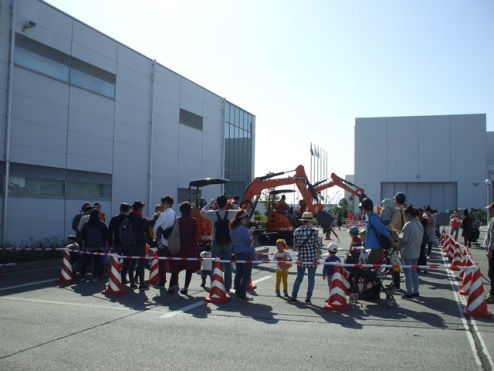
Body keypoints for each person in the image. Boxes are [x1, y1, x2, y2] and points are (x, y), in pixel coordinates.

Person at [200, 195, 239, 293]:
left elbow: (202, 211)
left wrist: (210, 203)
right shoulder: (230, 213)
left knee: (215, 264)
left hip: (216, 241)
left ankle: (215, 285)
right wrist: (232, 204)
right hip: (228, 241)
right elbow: (243, 211)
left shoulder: (213, 214)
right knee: (227, 265)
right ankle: (227, 288)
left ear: (217, 203)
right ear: (226, 203)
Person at [288, 212, 323, 304]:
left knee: (299, 278)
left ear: (303, 221)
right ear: (310, 221)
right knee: (311, 280)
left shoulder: (297, 231)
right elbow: (318, 245)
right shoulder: (315, 232)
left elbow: (295, 247)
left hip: (301, 259)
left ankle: (294, 297)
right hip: (312, 259)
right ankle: (308, 298)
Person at [168, 201, 201, 295]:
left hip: (179, 247)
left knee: (176, 268)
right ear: (189, 210)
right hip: (191, 246)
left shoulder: (178, 220)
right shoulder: (193, 220)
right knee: (189, 269)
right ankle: (185, 288)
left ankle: (171, 287)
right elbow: (195, 234)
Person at [229, 210, 256, 300]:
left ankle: (237, 291)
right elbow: (248, 242)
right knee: (246, 274)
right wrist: (251, 235)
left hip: (237, 252)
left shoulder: (232, 229)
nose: (247, 220)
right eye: (246, 218)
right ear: (241, 219)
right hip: (246, 253)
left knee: (239, 273)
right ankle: (242, 293)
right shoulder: (244, 229)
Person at [399, 206, 424, 298]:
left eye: (404, 214)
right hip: (416, 251)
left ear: (408, 214)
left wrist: (398, 235)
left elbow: (404, 239)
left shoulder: (408, 224)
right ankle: (416, 291)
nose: (404, 216)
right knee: (414, 272)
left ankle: (409, 292)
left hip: (407, 251)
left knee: (407, 273)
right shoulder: (419, 224)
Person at [361, 198, 396, 264]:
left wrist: (393, 242)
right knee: (371, 269)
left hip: (374, 248)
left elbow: (383, 230)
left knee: (371, 270)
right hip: (372, 248)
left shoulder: (372, 218)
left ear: (364, 208)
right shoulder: (372, 216)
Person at [153, 195, 176, 288]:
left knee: (162, 262)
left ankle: (162, 281)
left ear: (168, 204)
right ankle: (175, 282)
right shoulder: (174, 213)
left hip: (162, 240)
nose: (162, 204)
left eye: (163, 203)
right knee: (173, 261)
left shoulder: (163, 214)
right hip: (172, 240)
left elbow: (156, 227)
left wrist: (154, 237)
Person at [80, 209, 109, 281]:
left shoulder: (86, 224)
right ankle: (95, 277)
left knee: (85, 261)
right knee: (97, 262)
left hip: (88, 246)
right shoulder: (102, 224)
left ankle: (82, 276)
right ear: (98, 215)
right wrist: (106, 244)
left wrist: (83, 245)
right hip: (99, 246)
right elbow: (106, 235)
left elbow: (83, 235)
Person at [128, 201, 150, 289]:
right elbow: (147, 223)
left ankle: (132, 283)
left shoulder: (129, 216)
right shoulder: (138, 218)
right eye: (142, 208)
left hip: (130, 243)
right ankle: (141, 283)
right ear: (139, 208)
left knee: (132, 263)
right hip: (139, 243)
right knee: (141, 263)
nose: (142, 209)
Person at [387, 192, 406, 290]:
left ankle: (396, 283)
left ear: (397, 200)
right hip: (402, 239)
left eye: (395, 199)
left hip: (395, 239)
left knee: (394, 261)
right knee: (397, 261)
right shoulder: (404, 210)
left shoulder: (397, 211)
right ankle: (396, 282)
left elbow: (391, 226)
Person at [108, 203, 131, 281]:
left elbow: (110, 232)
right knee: (126, 261)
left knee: (115, 260)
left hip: (116, 242)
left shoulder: (114, 219)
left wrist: (110, 244)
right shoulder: (130, 219)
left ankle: (115, 277)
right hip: (127, 244)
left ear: (120, 209)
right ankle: (123, 277)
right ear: (128, 210)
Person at [484, 202, 494, 303]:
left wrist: (490, 250)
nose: (489, 211)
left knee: (491, 273)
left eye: (490, 209)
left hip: (493, 251)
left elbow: (492, 237)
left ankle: (492, 294)